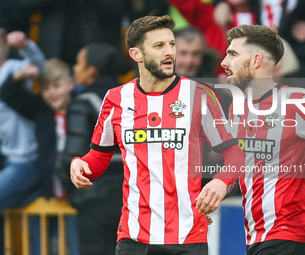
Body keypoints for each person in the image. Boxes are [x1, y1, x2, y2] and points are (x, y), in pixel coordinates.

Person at [70, 15, 245, 255]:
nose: (169, 52)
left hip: (187, 237)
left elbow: (235, 153)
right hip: (133, 237)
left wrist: (220, 181)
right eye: (159, 46)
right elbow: (98, 157)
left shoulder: (200, 95)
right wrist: (79, 163)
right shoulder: (116, 99)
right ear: (136, 54)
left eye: (171, 44)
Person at [199, 24, 305, 255]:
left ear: (255, 61)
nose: (224, 62)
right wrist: (219, 188)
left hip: (289, 234)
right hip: (257, 236)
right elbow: (241, 166)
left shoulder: (296, 103)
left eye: (233, 54)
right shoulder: (237, 106)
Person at [0, 58, 79, 255]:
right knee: (41, 245)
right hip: (48, 190)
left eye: (56, 86)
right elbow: (7, 93)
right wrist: (19, 75)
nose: (51, 92)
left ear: (70, 84)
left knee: (75, 247)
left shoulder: (81, 106)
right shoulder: (41, 111)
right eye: (45, 88)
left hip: (76, 198)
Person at [57, 43, 130, 255]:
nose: (74, 68)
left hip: (94, 202)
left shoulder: (82, 103)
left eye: (79, 63)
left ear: (92, 71)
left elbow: (74, 154)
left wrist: (66, 181)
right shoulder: (132, 100)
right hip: (131, 200)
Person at [0, 28, 45, 255]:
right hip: (9, 159)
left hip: (27, 159)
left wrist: (26, 46)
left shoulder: (13, 68)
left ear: (5, 47)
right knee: (32, 219)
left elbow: (41, 66)